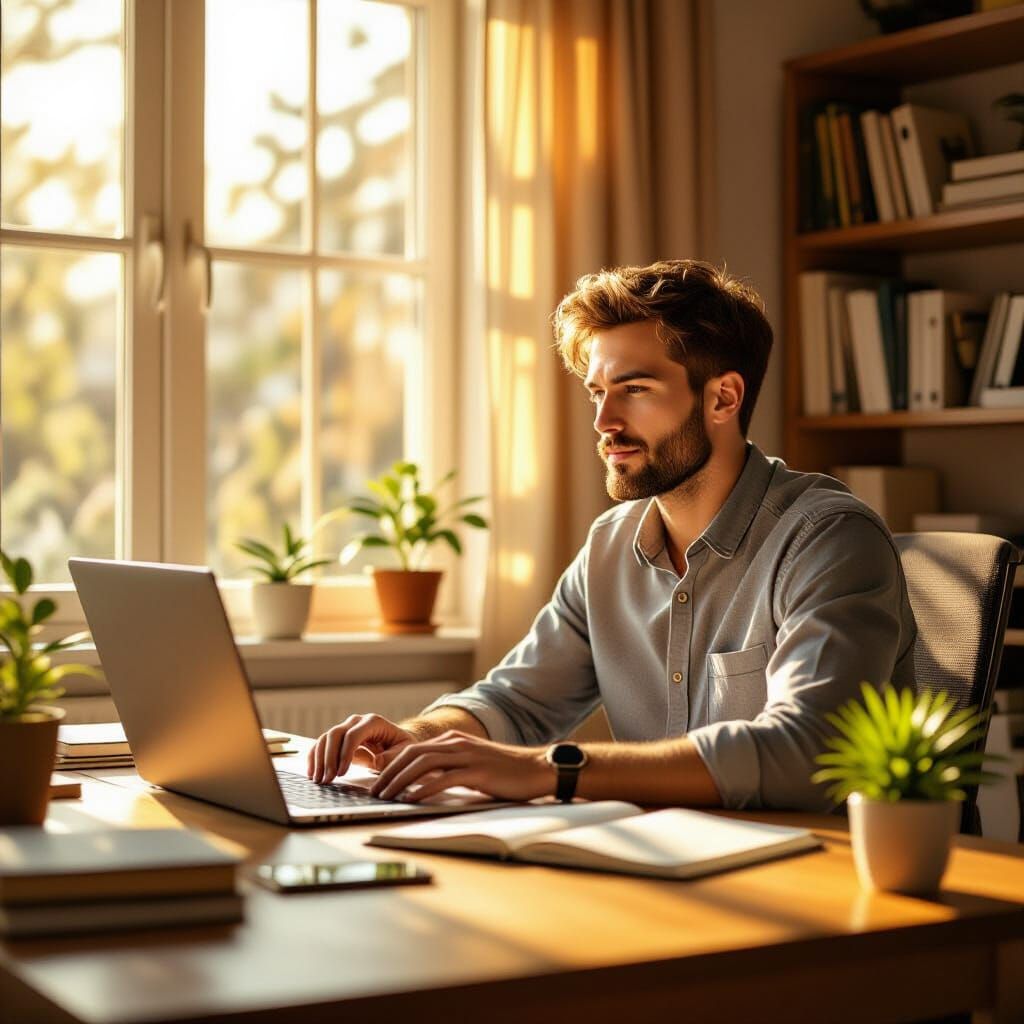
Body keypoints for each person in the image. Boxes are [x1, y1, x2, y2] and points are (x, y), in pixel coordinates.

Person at [307, 259, 916, 812]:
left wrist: (551, 770)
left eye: (634, 390)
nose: (604, 423)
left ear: (723, 398)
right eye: (598, 392)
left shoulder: (828, 539)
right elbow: (518, 700)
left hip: (820, 877)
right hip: (667, 866)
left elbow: (806, 750)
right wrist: (421, 735)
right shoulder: (610, 546)